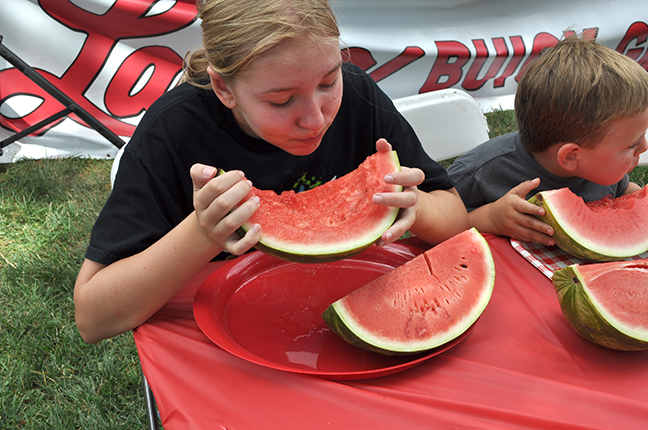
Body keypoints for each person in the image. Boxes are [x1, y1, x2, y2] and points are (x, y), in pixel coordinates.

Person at [74, 0, 469, 344]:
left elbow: (457, 220)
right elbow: (92, 318)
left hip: (341, 308)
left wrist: (417, 206)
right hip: (233, 332)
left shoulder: (360, 96)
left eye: (329, 82)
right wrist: (201, 232)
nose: (315, 119)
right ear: (223, 88)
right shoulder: (173, 132)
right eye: (281, 101)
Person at [447, 36, 648, 247]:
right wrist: (490, 218)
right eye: (632, 145)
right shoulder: (478, 172)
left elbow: (624, 193)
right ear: (571, 157)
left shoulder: (606, 170)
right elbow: (431, 219)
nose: (644, 146)